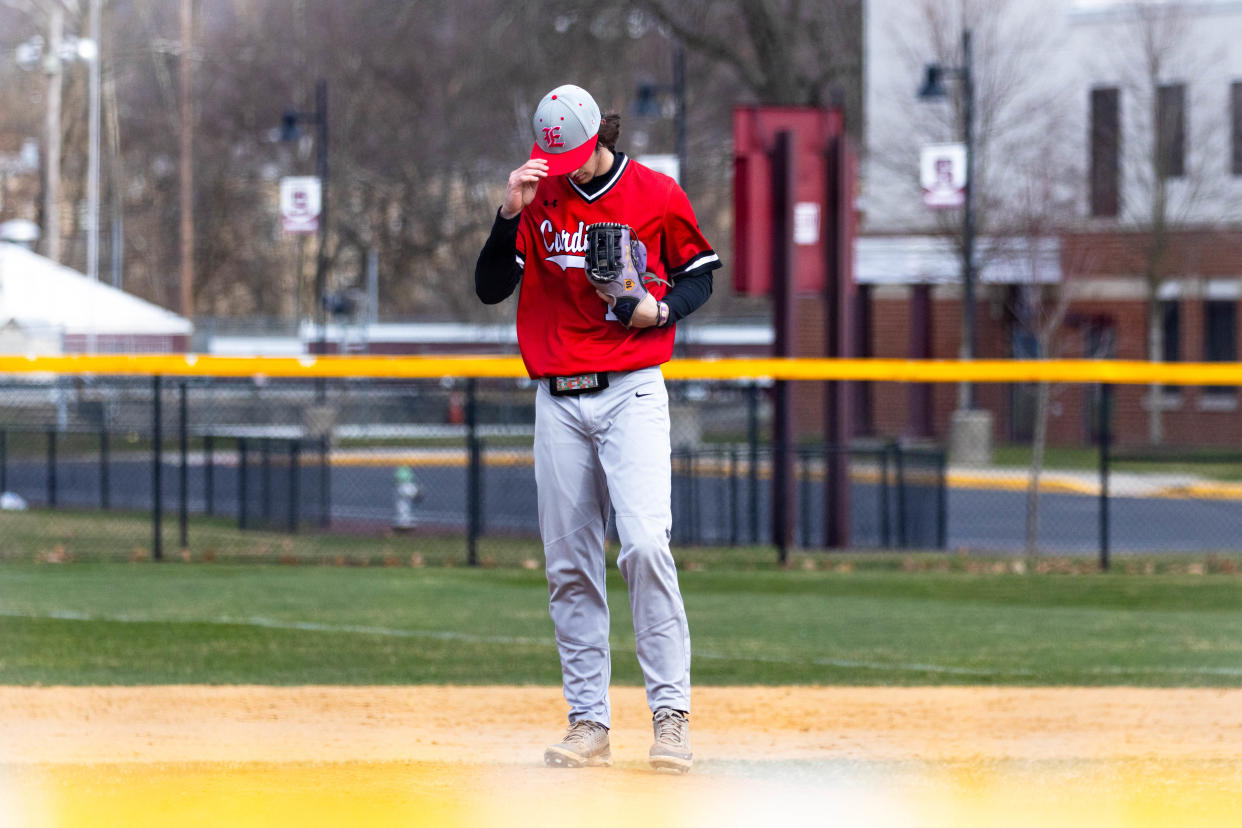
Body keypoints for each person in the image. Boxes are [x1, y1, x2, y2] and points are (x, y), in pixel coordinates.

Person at [473, 83, 719, 773]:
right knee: (569, 565)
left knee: (644, 545)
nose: (567, 168)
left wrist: (660, 311)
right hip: (557, 396)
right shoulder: (538, 196)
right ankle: (589, 721)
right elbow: (492, 286)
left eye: (577, 155)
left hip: (630, 388)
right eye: (556, 159)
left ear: (599, 140)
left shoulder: (655, 193)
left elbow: (700, 274)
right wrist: (506, 213)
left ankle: (670, 718)